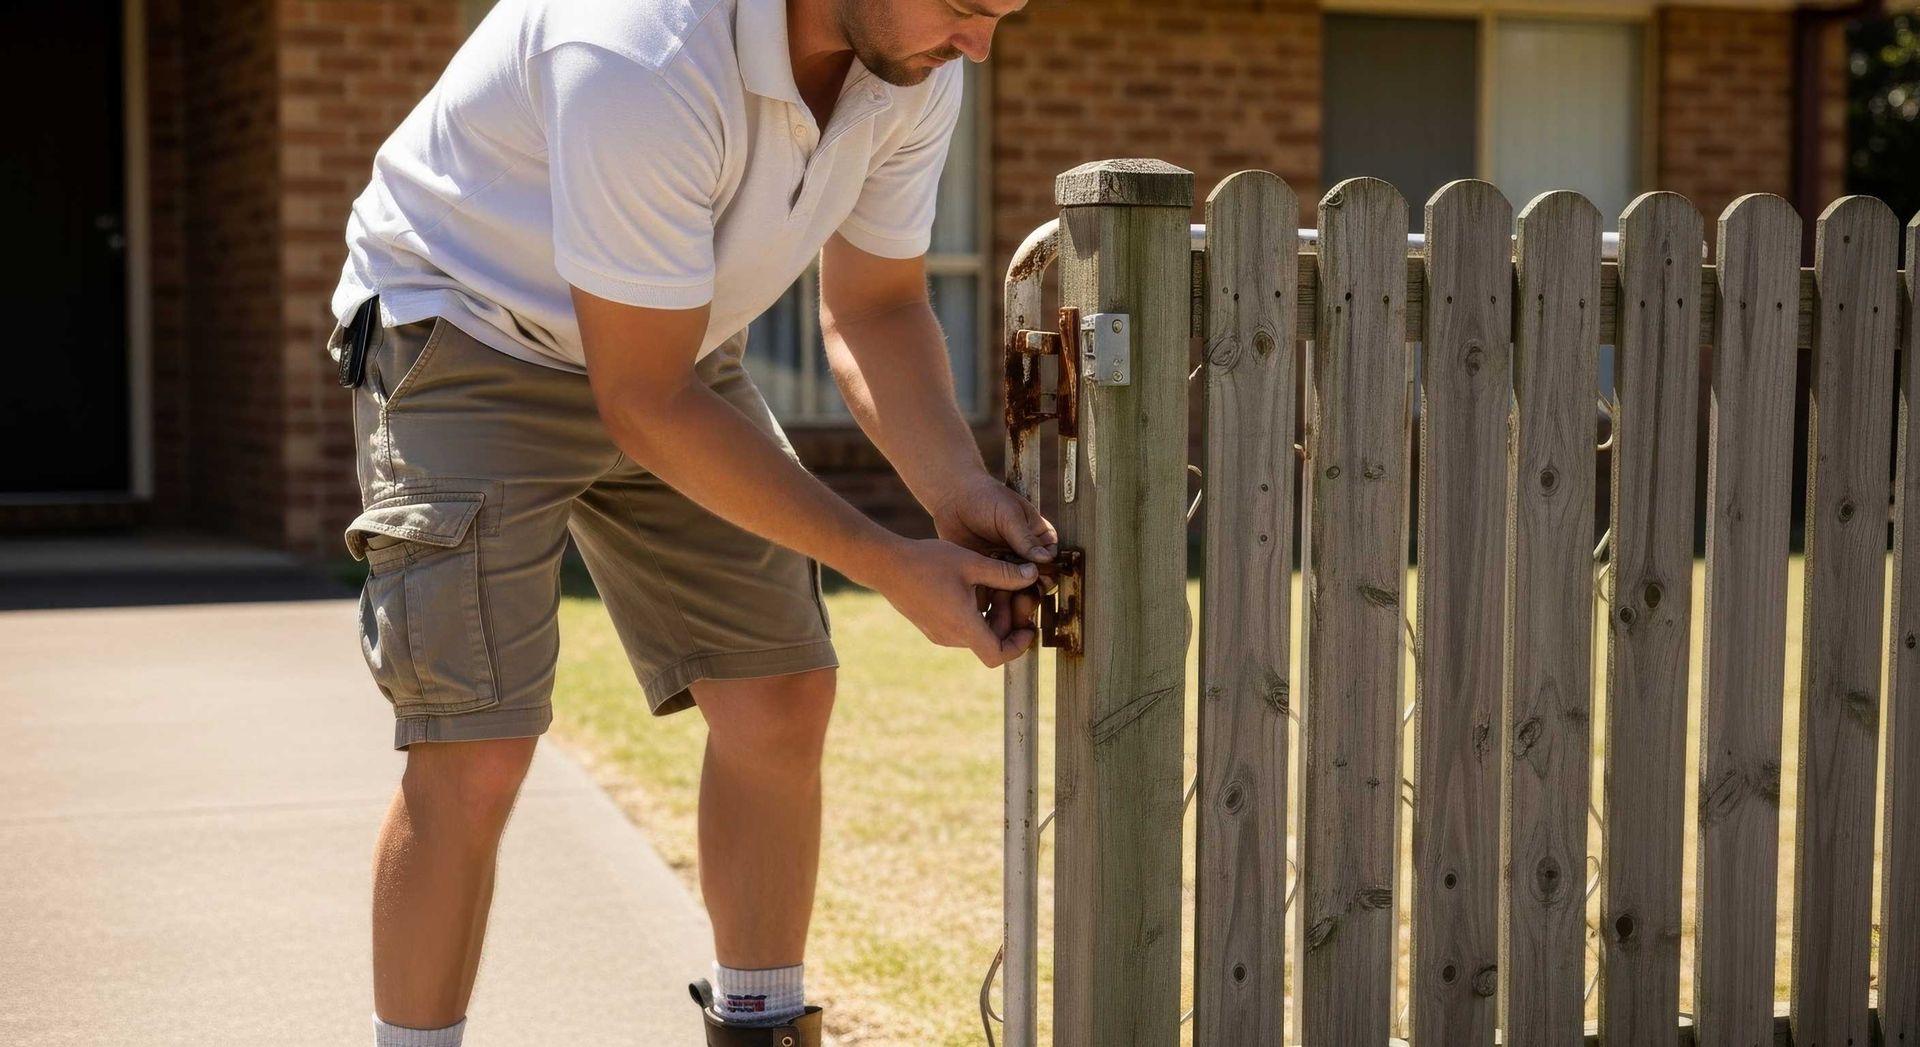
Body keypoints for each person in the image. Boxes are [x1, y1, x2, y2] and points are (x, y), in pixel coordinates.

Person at [323, 0, 1046, 1042]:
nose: (980, 45)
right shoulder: (637, 47)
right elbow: (645, 404)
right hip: (468, 328)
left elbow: (875, 306)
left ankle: (759, 1027)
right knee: (475, 747)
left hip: (665, 346)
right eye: (968, 8)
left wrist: (954, 490)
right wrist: (885, 561)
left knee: (782, 697)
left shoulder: (911, 66)